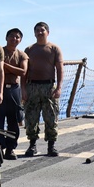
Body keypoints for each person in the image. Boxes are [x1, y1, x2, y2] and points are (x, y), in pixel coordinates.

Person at [22, 22, 64, 157]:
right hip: (32, 86)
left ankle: (51, 146)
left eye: (42, 30)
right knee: (31, 117)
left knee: (51, 117)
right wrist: (23, 89)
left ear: (47, 32)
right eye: (37, 31)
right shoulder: (29, 50)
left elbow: (59, 69)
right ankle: (32, 145)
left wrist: (59, 88)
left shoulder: (54, 49)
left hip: (49, 87)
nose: (40, 33)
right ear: (34, 33)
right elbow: (24, 71)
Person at [0, 28, 28, 160]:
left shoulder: (22, 55)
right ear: (6, 38)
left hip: (14, 90)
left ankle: (10, 148)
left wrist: (5, 66)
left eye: (17, 37)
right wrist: (13, 69)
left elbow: (23, 72)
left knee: (13, 121)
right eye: (11, 36)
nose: (14, 39)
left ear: (20, 40)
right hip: (0, 89)